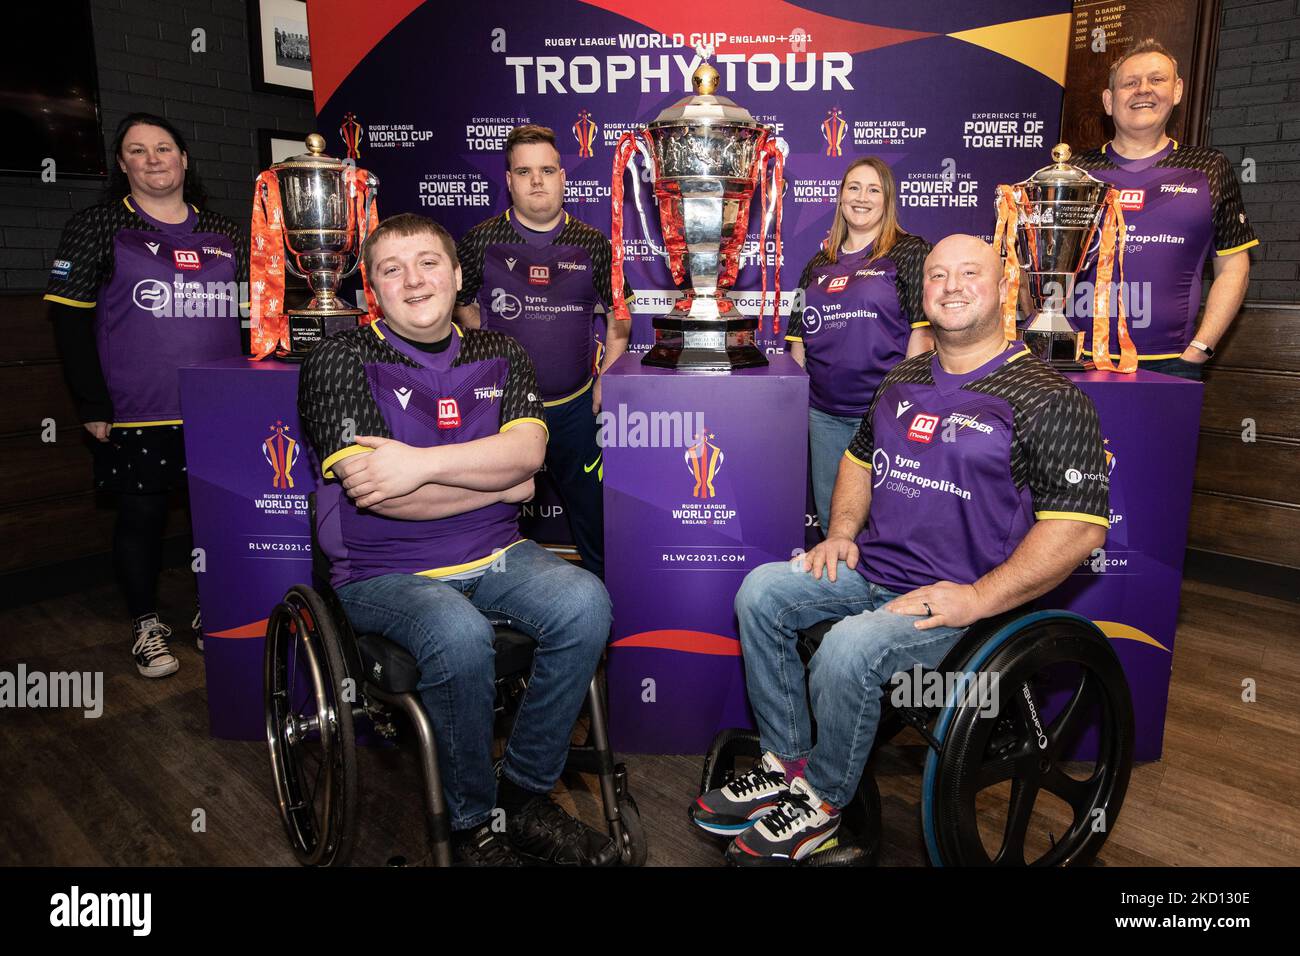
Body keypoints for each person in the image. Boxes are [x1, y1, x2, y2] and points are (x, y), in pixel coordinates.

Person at [691, 235, 1111, 865]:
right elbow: (859, 459)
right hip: (876, 573)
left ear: (1006, 289)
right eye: (938, 275)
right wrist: (840, 533)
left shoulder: (1050, 398)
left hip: (961, 602)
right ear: (924, 293)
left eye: (970, 273)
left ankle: (824, 804)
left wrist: (978, 597)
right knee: (762, 591)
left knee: (849, 645)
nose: (951, 285)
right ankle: (788, 763)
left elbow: (1080, 528)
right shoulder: (904, 377)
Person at [298, 212, 618, 867]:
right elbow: (372, 490)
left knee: (586, 601)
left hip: (499, 555)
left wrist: (419, 464)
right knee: (457, 632)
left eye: (428, 263)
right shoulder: (338, 358)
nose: (414, 280)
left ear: (455, 274)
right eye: (392, 269)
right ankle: (473, 823)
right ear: (372, 287)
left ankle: (522, 797)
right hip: (383, 572)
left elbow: (528, 454)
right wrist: (495, 482)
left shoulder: (501, 351)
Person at [44, 112, 247, 678]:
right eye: (138, 150)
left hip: (222, 411)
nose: (154, 159)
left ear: (184, 160)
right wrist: (92, 404)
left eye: (164, 148)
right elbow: (69, 322)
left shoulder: (227, 233)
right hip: (137, 411)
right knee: (141, 517)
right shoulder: (97, 226)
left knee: (217, 519)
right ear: (122, 164)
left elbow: (255, 320)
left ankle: (215, 611)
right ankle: (146, 624)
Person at [453, 125, 633, 578]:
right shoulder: (480, 241)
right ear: (510, 181)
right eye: (525, 171)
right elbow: (460, 306)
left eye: (547, 170)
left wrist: (608, 376)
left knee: (597, 525)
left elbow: (620, 315)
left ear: (562, 177)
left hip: (574, 413)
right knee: (492, 526)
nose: (537, 181)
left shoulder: (593, 243)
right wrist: (489, 357)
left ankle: (604, 619)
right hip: (502, 416)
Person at [1072, 38, 1257, 380]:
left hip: (1171, 363)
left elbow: (1234, 268)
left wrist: (1200, 349)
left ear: (1177, 91)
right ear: (1109, 101)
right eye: (1130, 83)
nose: (1144, 90)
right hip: (1074, 356)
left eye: (1157, 80)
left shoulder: (1208, 167)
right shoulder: (1074, 171)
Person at [785, 157, 933, 534]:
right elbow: (798, 342)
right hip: (824, 417)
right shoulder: (818, 263)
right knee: (835, 526)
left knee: (885, 526)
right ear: (840, 198)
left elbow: (923, 334)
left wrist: (905, 404)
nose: (862, 197)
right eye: (853, 187)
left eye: (873, 189)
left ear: (888, 200)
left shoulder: (909, 252)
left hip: (884, 415)